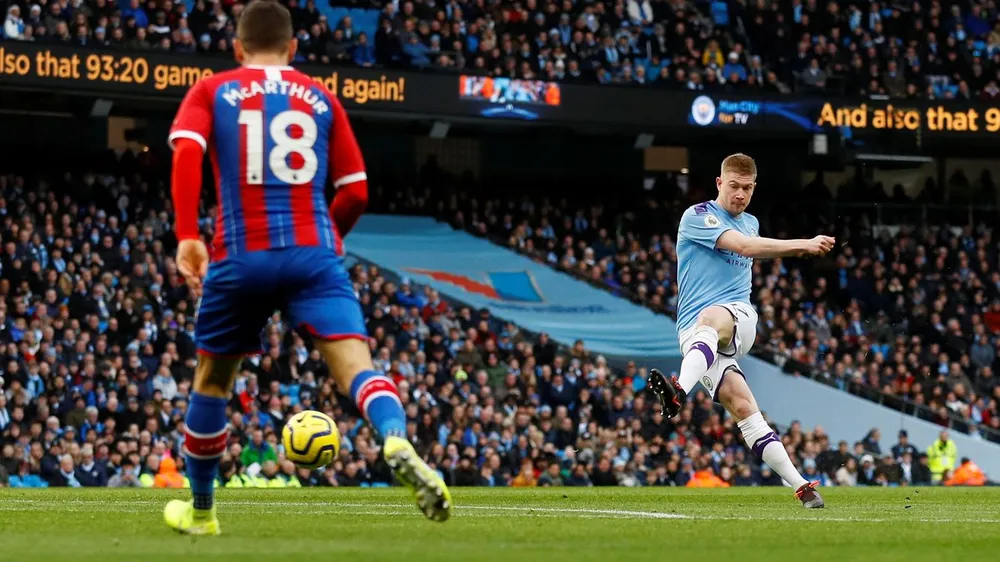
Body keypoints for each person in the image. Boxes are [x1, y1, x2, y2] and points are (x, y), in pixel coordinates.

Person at [163, 0, 451, 535]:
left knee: (213, 380)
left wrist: (187, 234)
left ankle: (201, 513)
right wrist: (328, 238)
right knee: (357, 370)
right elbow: (357, 191)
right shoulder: (321, 97)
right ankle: (393, 435)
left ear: (237, 48)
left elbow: (186, 151)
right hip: (313, 254)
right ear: (295, 48)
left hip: (240, 254)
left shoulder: (214, 89)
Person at [646, 153, 835, 508]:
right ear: (720, 183)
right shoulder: (697, 216)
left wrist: (801, 245)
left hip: (737, 318)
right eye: (733, 186)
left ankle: (677, 390)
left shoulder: (751, 222)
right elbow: (745, 248)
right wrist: (803, 244)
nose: (740, 195)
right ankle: (802, 487)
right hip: (693, 335)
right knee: (744, 407)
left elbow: (750, 243)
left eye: (747, 188)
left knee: (712, 317)